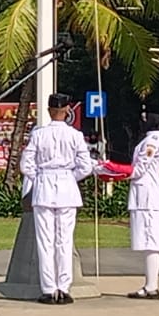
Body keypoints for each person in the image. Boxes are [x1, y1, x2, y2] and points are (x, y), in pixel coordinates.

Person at [19, 93, 96, 304]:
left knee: (45, 241)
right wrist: (70, 177)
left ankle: (49, 288)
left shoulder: (39, 134)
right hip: (66, 186)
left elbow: (26, 165)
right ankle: (64, 287)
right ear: (66, 111)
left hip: (44, 186)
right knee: (64, 239)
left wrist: (40, 177)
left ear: (49, 111)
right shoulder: (74, 135)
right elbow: (86, 166)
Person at [125, 112, 159, 300]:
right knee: (149, 242)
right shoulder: (151, 140)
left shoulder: (152, 142)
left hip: (147, 197)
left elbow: (139, 168)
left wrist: (117, 170)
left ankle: (152, 286)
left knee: (151, 242)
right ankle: (150, 285)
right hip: (145, 196)